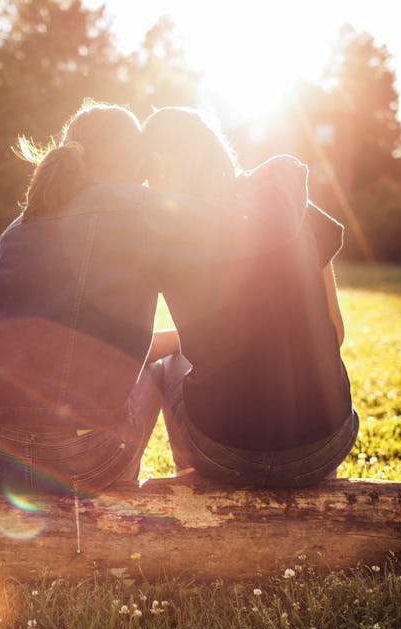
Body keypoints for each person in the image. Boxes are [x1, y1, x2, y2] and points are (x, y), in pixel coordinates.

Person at [0, 100, 308, 495]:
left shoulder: (23, 221)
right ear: (137, 162)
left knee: (130, 369)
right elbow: (267, 224)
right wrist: (287, 168)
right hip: (83, 457)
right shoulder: (145, 212)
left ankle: (5, 491)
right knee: (150, 371)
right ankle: (120, 493)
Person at [141, 106, 358, 487]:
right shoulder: (293, 205)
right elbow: (335, 332)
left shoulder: (167, 230)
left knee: (166, 366)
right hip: (326, 443)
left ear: (160, 166)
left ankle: (198, 490)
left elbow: (133, 344)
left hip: (224, 451)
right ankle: (308, 480)